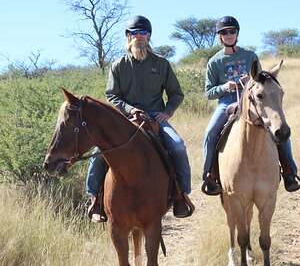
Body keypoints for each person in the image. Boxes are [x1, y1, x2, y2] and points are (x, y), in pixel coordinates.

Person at [87, 15, 193, 222]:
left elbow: (176, 94)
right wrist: (130, 109)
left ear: (149, 35)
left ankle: (181, 196)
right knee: (97, 152)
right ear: (128, 37)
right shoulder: (118, 65)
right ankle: (95, 200)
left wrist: (167, 112)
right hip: (125, 119)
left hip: (155, 117)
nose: (138, 36)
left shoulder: (162, 64)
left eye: (142, 32)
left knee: (178, 146)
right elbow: (112, 96)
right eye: (133, 33)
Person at [202, 15, 300, 195]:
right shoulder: (214, 62)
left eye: (232, 31)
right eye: (224, 32)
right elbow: (208, 92)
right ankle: (210, 175)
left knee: (278, 127)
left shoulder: (249, 56)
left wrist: (251, 81)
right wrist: (224, 86)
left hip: (253, 101)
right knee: (210, 133)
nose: (229, 35)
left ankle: (289, 172)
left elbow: (263, 80)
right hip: (227, 102)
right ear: (220, 36)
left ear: (237, 33)